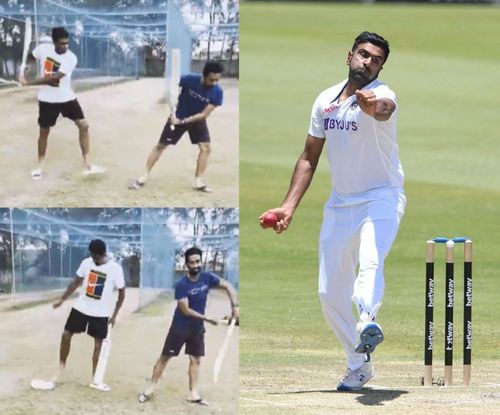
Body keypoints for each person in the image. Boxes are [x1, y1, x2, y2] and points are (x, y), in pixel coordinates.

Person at [259, 32, 406, 391]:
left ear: (381, 67)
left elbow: (382, 110)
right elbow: (309, 158)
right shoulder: (324, 100)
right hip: (341, 202)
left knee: (371, 259)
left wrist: (369, 106)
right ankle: (358, 364)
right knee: (329, 292)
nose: (367, 62)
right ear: (349, 56)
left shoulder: (383, 95)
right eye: (363, 54)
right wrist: (288, 207)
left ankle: (368, 321)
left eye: (375, 59)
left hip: (382, 196)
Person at [138, 246, 239, 405]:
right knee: (165, 358)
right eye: (192, 262)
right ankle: (149, 389)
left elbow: (227, 285)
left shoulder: (207, 277)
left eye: (198, 261)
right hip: (180, 327)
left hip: (196, 329)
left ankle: (193, 394)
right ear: (186, 264)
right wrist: (206, 318)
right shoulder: (182, 285)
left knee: (195, 360)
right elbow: (185, 310)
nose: (196, 265)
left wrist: (235, 307)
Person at [18, 27, 105, 180]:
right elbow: (32, 57)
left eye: (66, 43)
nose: (65, 46)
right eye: (61, 44)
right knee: (44, 132)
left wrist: (29, 82)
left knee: (84, 126)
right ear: (54, 42)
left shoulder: (71, 58)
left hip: (66, 98)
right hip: (47, 99)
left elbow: (54, 78)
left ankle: (87, 165)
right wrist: (26, 69)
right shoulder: (43, 49)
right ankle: (40, 167)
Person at [129, 62, 224, 192]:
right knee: (161, 146)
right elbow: (173, 88)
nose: (214, 83)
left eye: (217, 80)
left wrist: (182, 121)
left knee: (206, 148)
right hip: (178, 116)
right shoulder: (188, 79)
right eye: (211, 79)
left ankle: (198, 180)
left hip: (194, 120)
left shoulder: (217, 92)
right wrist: (173, 106)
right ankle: (144, 175)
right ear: (204, 76)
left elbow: (203, 115)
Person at [52, 239, 125, 391]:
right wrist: (62, 299)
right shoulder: (86, 263)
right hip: (81, 307)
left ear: (104, 254)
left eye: (97, 257)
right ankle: (61, 366)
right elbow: (75, 283)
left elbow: (122, 293)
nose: (95, 259)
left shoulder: (115, 269)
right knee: (66, 335)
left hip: (101, 312)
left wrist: (115, 314)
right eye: (93, 256)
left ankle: (95, 378)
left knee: (98, 345)